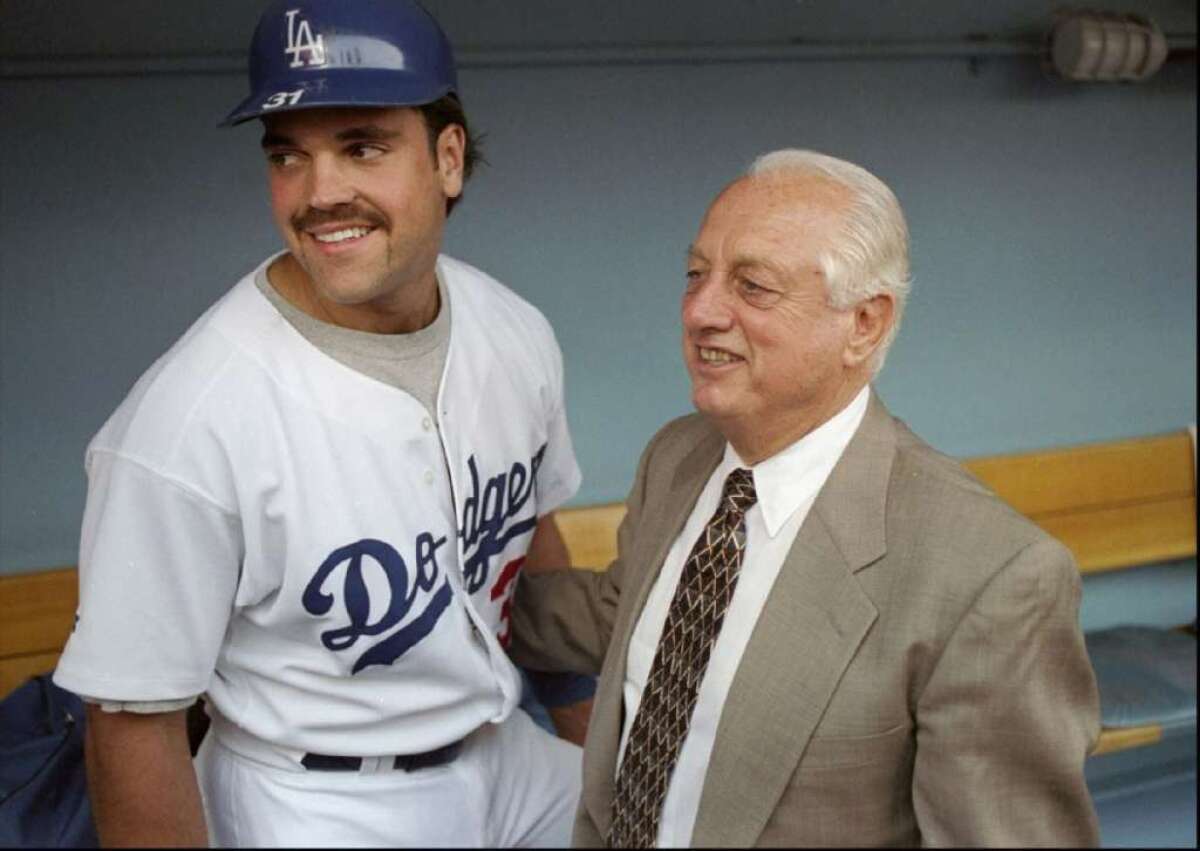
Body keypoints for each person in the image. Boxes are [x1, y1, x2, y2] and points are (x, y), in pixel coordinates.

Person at [52, 0, 587, 845]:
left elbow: (535, 548)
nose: (319, 192)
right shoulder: (185, 423)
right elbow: (130, 725)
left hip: (508, 755)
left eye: (361, 147)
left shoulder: (512, 329)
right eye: (288, 156)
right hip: (318, 798)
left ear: (448, 158)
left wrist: (603, 768)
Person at [511, 149, 1102, 847]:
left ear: (864, 324)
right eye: (696, 274)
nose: (700, 310)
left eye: (753, 286)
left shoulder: (992, 576)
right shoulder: (678, 456)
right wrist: (451, 618)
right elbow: (626, 613)